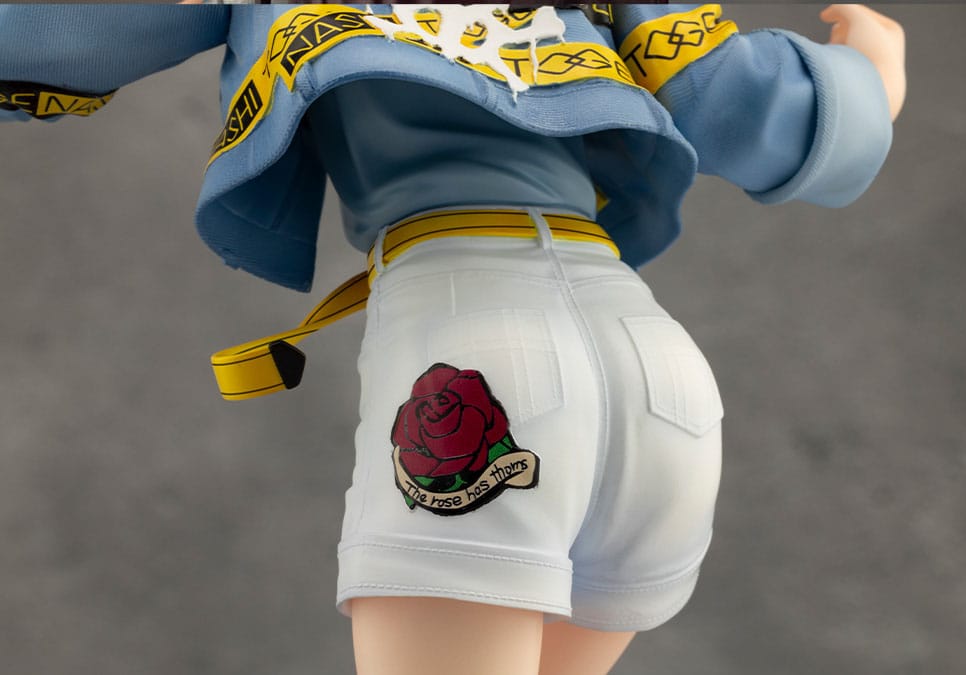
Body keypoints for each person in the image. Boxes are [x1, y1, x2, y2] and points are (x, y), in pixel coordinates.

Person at [0, 4, 904, 673]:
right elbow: (745, 103)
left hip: (470, 346)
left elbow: (56, 33)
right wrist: (867, 79)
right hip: (657, 365)